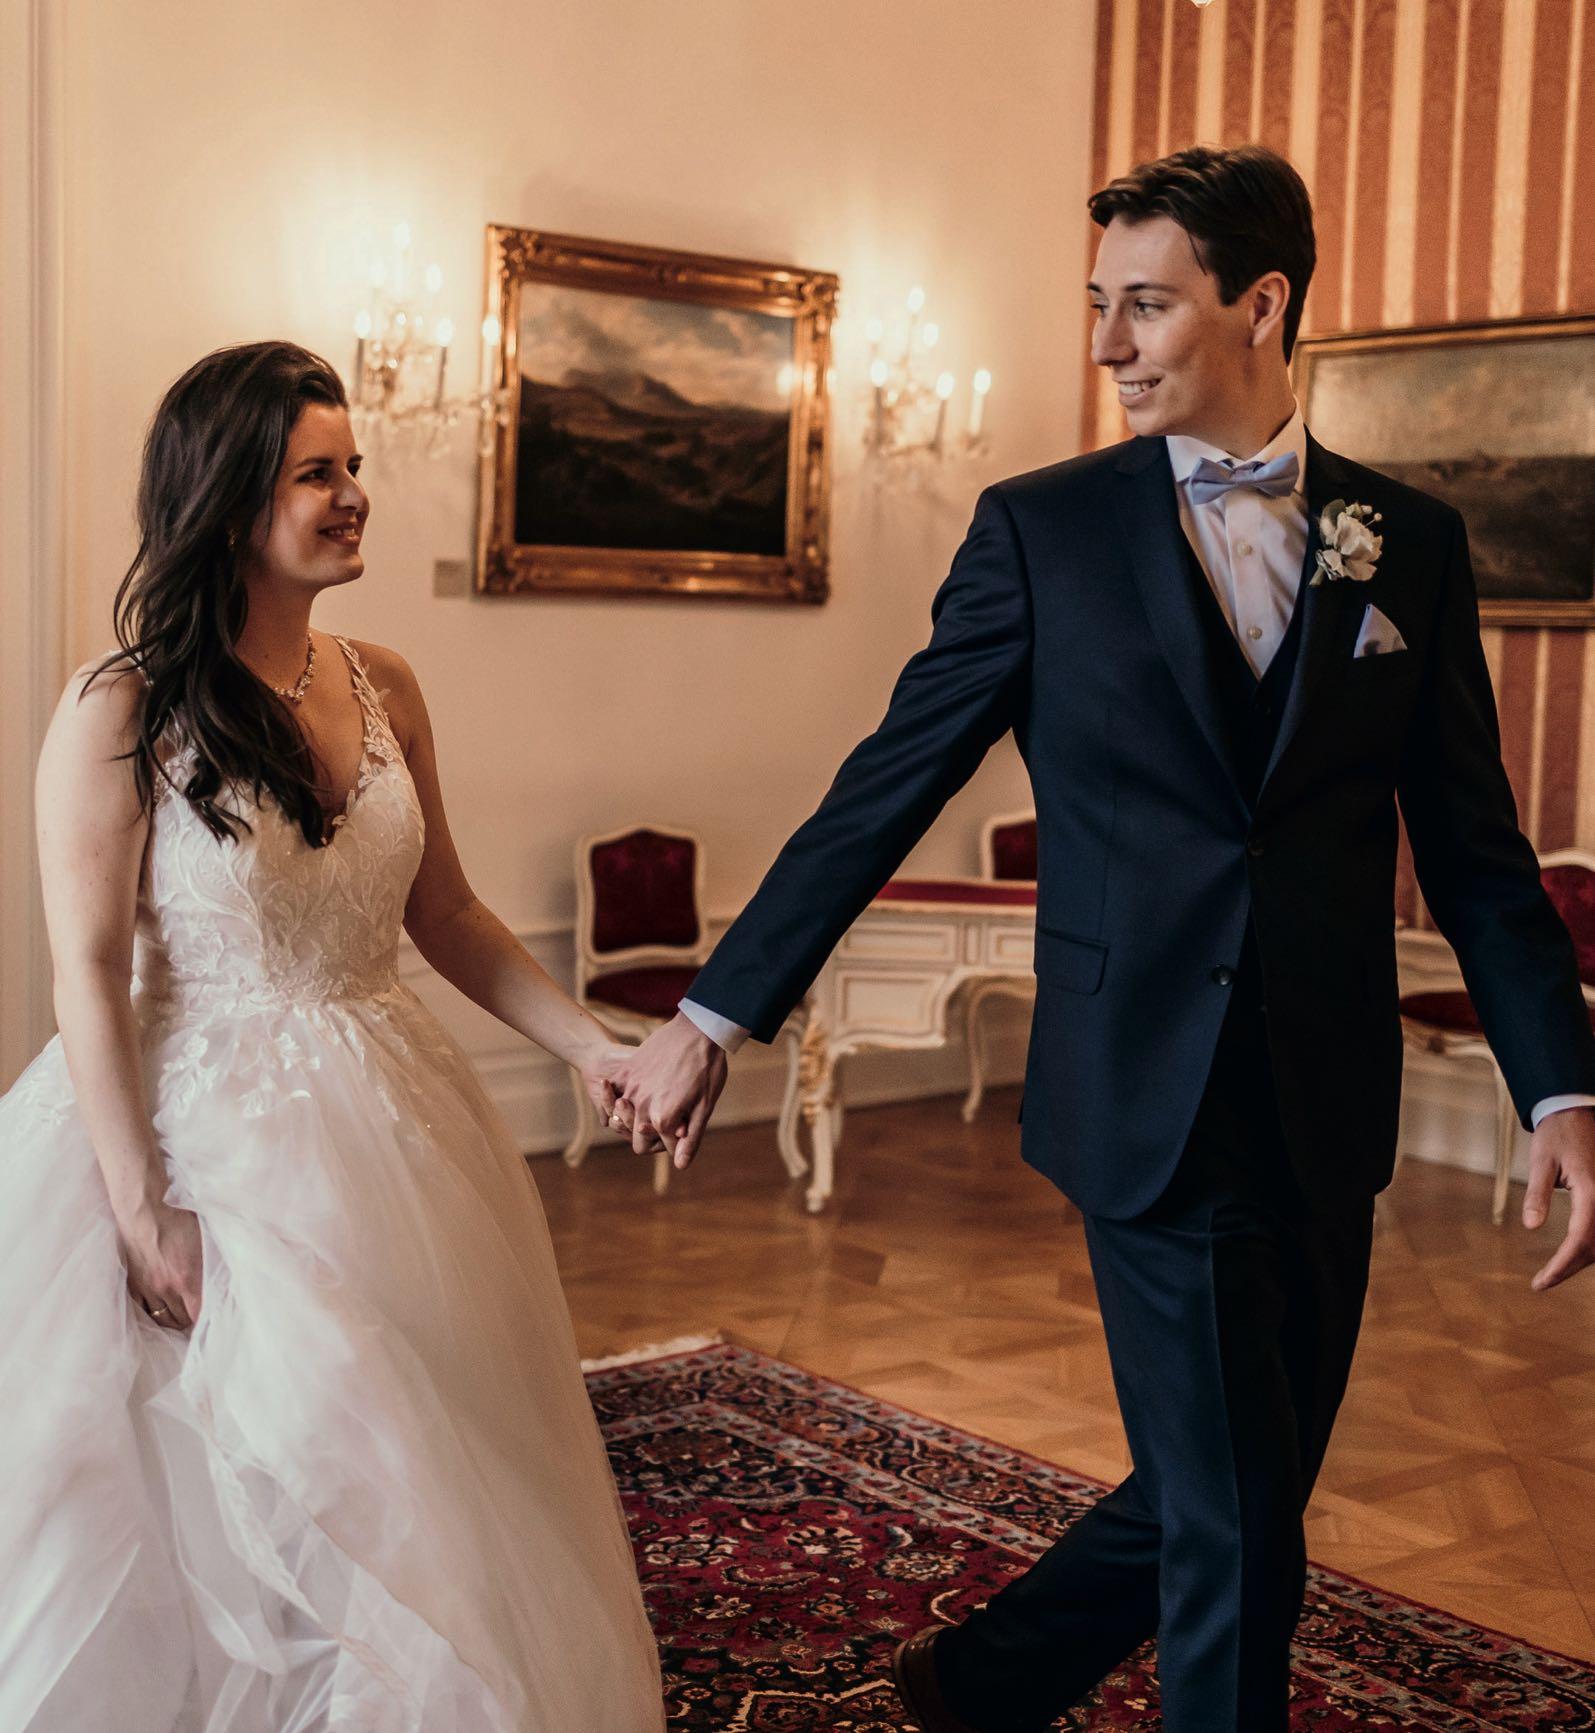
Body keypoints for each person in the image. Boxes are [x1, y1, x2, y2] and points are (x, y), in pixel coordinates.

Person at [609, 144, 1595, 1731]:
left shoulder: (1407, 540)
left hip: (1327, 1096)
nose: (1106, 345)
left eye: (1145, 305)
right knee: (1238, 1535)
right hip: (1143, 1087)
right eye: (1097, 304)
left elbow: (1477, 853)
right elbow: (888, 785)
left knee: (1241, 1483)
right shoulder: (1041, 533)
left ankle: (978, 1680)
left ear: (1260, 305)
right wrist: (714, 1014)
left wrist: (1560, 1086)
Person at [0, 341, 663, 1732]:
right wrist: (142, 1211)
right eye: (318, 472)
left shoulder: (388, 685)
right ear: (229, 497)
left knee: (415, 1463)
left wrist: (590, 1046)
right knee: (249, 1461)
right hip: (190, 1134)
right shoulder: (120, 706)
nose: (355, 493)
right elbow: (89, 970)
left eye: (354, 466)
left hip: (391, 1124)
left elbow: (451, 912)